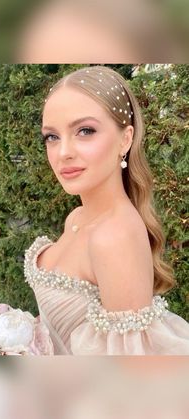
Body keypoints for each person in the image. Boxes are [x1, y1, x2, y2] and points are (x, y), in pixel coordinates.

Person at [24, 65, 189, 355]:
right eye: (52, 136)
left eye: (85, 131)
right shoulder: (77, 218)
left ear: (125, 139)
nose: (64, 152)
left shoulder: (114, 235)